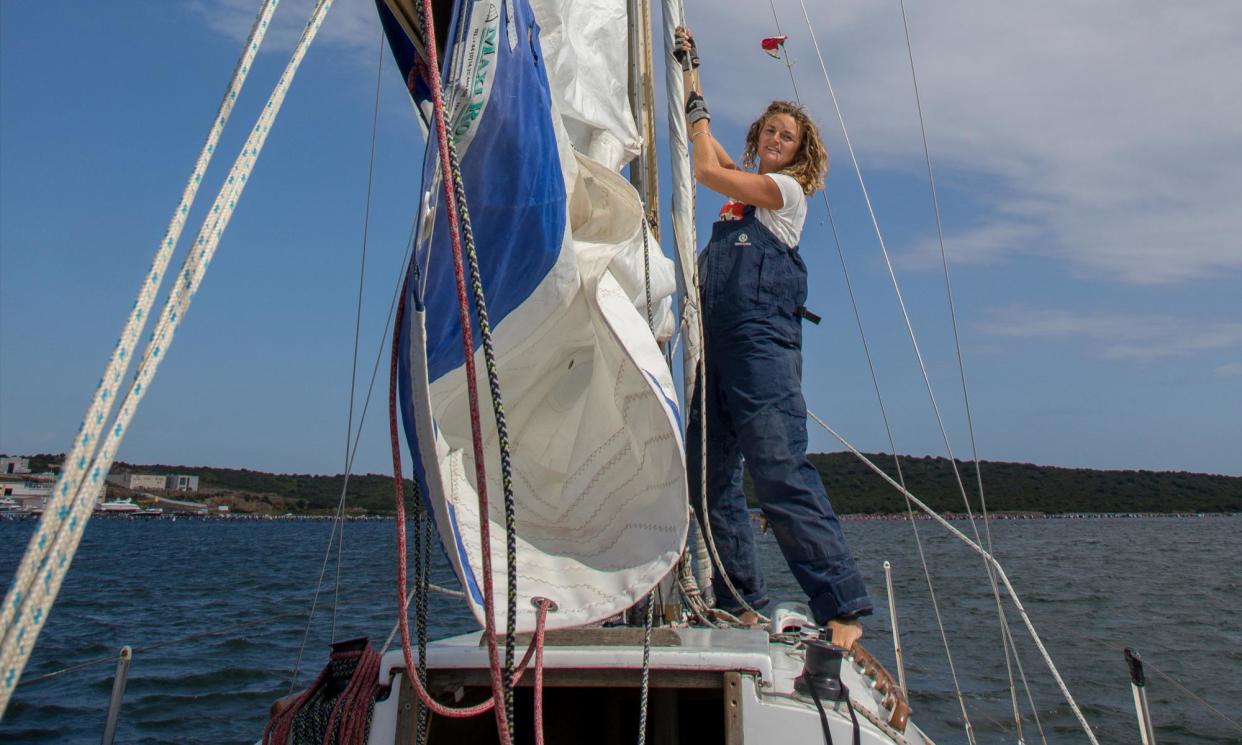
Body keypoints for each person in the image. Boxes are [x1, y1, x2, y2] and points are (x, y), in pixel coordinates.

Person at [676, 27, 872, 649]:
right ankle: (742, 601)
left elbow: (704, 165)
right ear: (758, 138)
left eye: (788, 136)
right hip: (716, 348)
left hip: (762, 347)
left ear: (799, 152)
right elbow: (710, 155)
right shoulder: (742, 202)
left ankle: (840, 606)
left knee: (779, 467)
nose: (777, 139)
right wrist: (691, 70)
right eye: (770, 130)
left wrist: (700, 112)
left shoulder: (784, 196)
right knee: (706, 480)